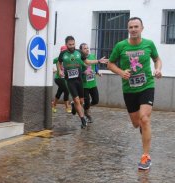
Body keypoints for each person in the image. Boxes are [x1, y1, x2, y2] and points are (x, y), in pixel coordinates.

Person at [107, 17, 162, 170]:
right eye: (130, 27)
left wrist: (157, 69)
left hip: (147, 85)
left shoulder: (149, 44)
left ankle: (145, 156)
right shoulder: (121, 46)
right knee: (136, 123)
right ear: (128, 29)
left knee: (144, 119)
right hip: (129, 89)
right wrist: (120, 72)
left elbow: (157, 59)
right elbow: (110, 63)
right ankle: (142, 128)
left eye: (136, 26)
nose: (133, 29)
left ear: (142, 28)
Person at [57, 36, 108, 128]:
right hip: (70, 81)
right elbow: (59, 62)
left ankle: (74, 106)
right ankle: (83, 119)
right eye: (70, 45)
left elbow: (87, 62)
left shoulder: (79, 52)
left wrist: (98, 61)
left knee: (81, 101)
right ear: (66, 44)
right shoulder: (63, 54)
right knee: (76, 100)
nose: (72, 46)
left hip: (79, 80)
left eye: (73, 44)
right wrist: (60, 70)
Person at [79, 43, 102, 123]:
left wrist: (98, 72)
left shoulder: (92, 56)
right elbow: (77, 71)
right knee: (87, 101)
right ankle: (87, 113)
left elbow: (95, 66)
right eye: (85, 48)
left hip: (93, 83)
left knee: (96, 100)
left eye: (87, 48)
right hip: (84, 85)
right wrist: (83, 72)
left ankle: (83, 107)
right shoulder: (79, 59)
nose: (87, 49)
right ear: (81, 50)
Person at [52, 45, 71, 113]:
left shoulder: (69, 58)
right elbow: (48, 62)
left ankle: (54, 105)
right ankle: (67, 106)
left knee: (60, 91)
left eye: (65, 51)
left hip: (65, 79)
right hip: (58, 78)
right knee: (66, 90)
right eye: (62, 51)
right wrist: (52, 69)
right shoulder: (57, 58)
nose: (63, 52)